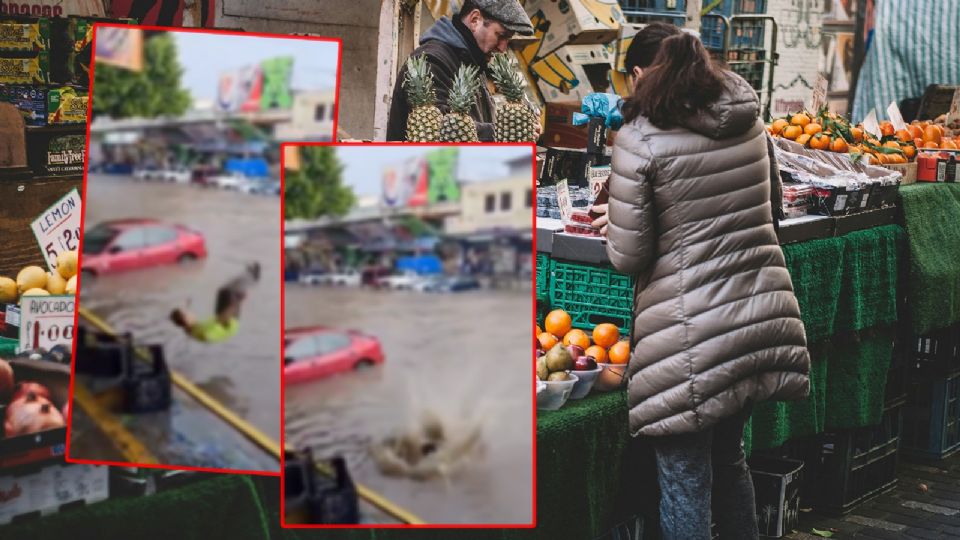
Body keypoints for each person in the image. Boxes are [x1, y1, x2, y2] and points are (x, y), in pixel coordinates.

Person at [590, 30, 811, 540]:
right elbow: (772, 211)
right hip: (759, 315)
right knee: (729, 461)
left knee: (685, 480)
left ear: (644, 75)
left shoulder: (640, 139)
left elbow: (629, 256)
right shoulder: (749, 120)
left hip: (691, 333)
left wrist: (613, 224)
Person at [385, 0, 534, 142]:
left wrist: (521, 126)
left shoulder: (472, 60)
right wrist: (506, 131)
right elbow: (440, 129)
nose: (503, 47)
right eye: (500, 35)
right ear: (475, 19)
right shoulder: (432, 60)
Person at [170, 262, 260, 344]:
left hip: (220, 319)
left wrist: (186, 304)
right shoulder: (201, 331)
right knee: (229, 292)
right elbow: (222, 319)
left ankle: (248, 275)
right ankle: (253, 277)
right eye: (188, 314)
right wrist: (238, 302)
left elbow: (183, 317)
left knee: (223, 291)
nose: (192, 314)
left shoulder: (189, 328)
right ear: (186, 319)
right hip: (229, 322)